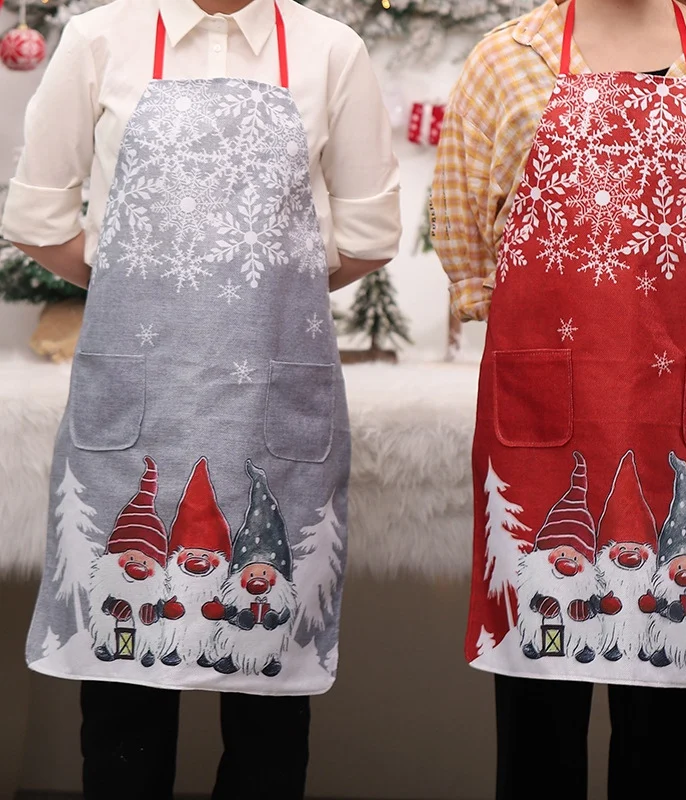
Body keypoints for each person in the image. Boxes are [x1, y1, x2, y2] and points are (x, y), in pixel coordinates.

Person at [1, 0, 401, 795]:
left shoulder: (332, 48)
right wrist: (137, 287)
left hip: (270, 403)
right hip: (138, 398)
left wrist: (260, 298)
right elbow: (37, 219)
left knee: (264, 711)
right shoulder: (97, 38)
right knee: (123, 707)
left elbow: (369, 235)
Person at [431, 0, 686, 798]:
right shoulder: (507, 60)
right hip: (542, 425)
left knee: (668, 731)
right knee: (538, 726)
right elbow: (464, 239)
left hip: (682, 424)